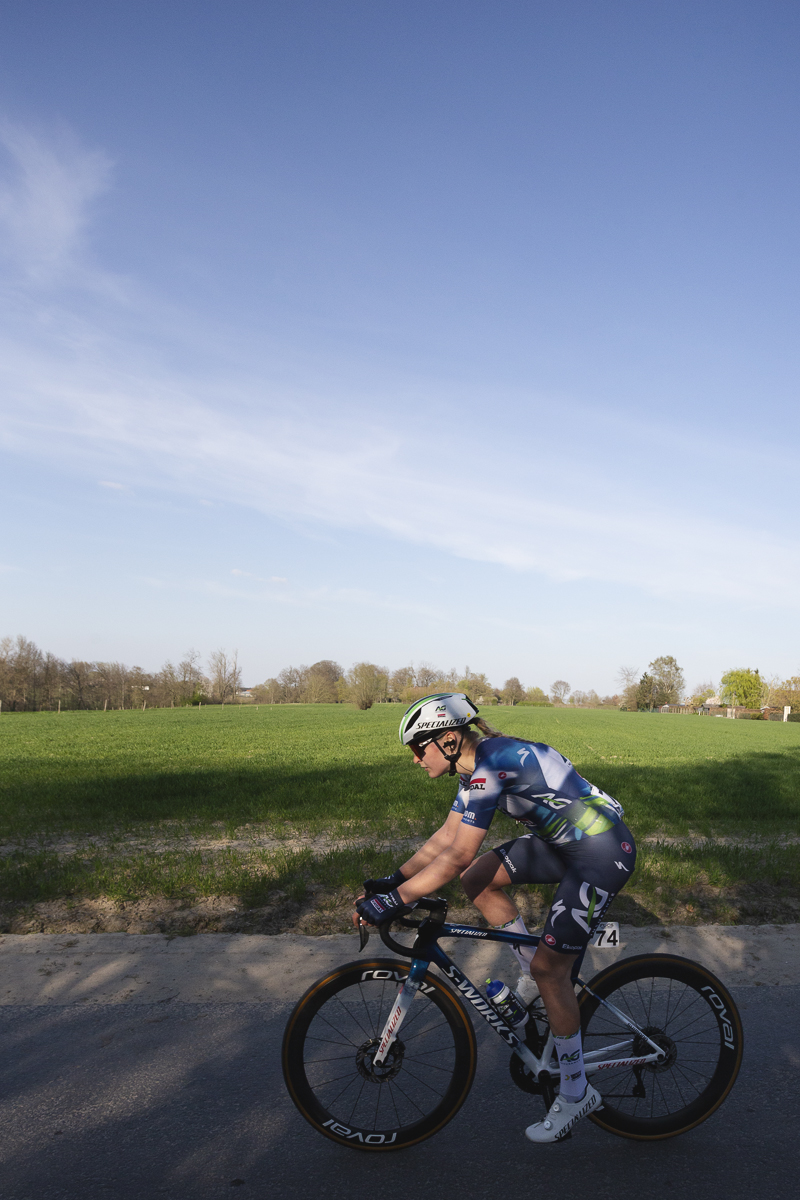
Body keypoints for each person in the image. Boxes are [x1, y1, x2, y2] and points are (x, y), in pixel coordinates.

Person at [355, 692, 637, 1144]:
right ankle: (531, 986)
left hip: (600, 853)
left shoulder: (490, 767)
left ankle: (575, 1091)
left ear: (447, 741)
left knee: (552, 970)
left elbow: (455, 855)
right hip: (564, 846)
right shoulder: (476, 768)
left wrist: (394, 902)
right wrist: (393, 882)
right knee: (479, 879)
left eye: (416, 748)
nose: (413, 760)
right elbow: (446, 838)